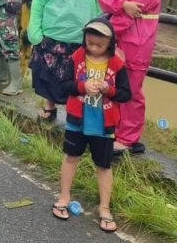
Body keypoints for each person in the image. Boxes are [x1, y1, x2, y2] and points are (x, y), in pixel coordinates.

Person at [53, 18, 131, 234]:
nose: (93, 48)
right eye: (90, 43)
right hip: (77, 121)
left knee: (104, 166)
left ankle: (105, 208)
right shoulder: (76, 57)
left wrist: (108, 89)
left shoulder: (117, 64)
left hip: (104, 125)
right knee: (71, 157)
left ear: (110, 44)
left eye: (100, 45)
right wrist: (82, 87)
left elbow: (126, 95)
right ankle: (64, 196)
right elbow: (64, 86)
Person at [97, 0, 160, 156]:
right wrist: (123, 3)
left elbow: (133, 14)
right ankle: (114, 128)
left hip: (137, 40)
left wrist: (108, 35)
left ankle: (128, 138)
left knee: (131, 89)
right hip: (114, 37)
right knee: (111, 84)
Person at [27, 0, 100, 121]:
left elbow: (101, 2)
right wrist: (35, 29)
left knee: (76, 77)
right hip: (51, 36)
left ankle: (74, 112)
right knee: (47, 74)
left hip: (78, 37)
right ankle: (49, 108)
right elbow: (38, 4)